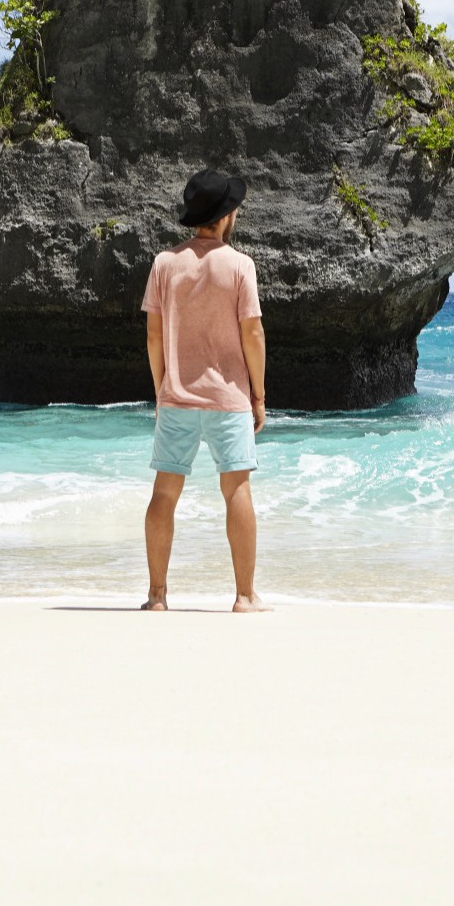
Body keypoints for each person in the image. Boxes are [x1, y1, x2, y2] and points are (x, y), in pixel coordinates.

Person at [139, 169, 270, 613]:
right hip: (228, 399)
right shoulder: (239, 265)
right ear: (227, 215)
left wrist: (161, 388)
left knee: (164, 493)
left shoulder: (164, 264)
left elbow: (154, 336)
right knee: (236, 490)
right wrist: (258, 395)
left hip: (175, 396)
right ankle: (244, 596)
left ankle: (157, 596)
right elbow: (252, 334)